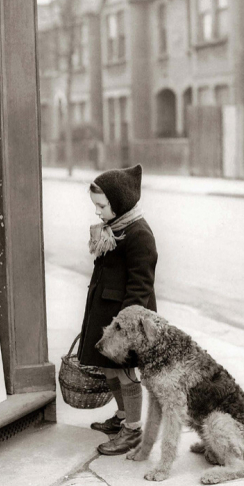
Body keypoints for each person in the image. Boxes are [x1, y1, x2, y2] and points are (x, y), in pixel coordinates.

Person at [77, 163, 158, 455]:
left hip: (126, 320)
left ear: (119, 203)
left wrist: (123, 330)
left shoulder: (139, 235)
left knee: (124, 372)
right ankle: (123, 416)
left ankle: (133, 430)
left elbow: (140, 288)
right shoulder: (114, 228)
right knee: (107, 369)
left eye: (101, 206)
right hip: (105, 312)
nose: (98, 212)